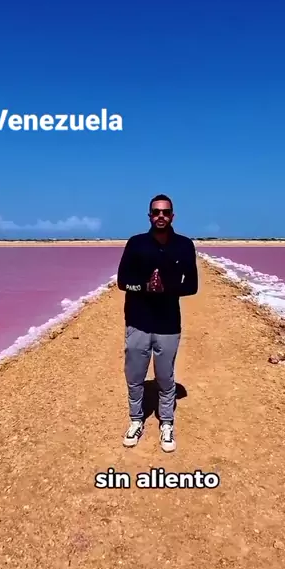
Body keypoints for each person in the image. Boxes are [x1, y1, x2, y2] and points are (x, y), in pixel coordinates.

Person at [117, 194, 198, 452]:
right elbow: (122, 282)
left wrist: (165, 289)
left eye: (165, 212)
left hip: (168, 323)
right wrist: (145, 287)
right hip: (138, 320)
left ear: (172, 216)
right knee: (135, 376)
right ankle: (136, 419)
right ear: (149, 215)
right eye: (156, 212)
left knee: (165, 376)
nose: (160, 216)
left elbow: (192, 286)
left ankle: (166, 423)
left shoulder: (184, 245)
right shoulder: (136, 243)